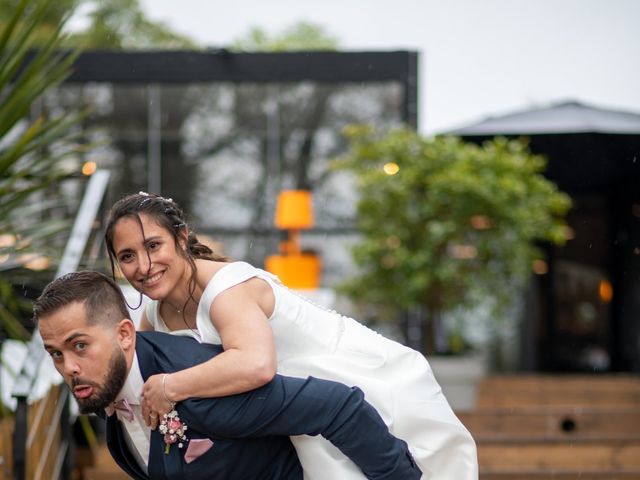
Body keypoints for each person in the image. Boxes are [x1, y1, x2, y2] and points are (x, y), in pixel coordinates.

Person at [105, 192, 478, 480]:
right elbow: (141, 368)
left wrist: (170, 386)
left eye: (153, 246)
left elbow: (256, 364)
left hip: (346, 376)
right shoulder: (155, 311)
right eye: (127, 256)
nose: (144, 266)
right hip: (289, 408)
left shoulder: (224, 289)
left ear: (182, 239)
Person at [34, 271, 422, 480]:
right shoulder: (111, 398)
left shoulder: (196, 383)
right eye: (55, 354)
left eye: (79, 345)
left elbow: (340, 407)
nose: (68, 367)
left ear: (123, 334)